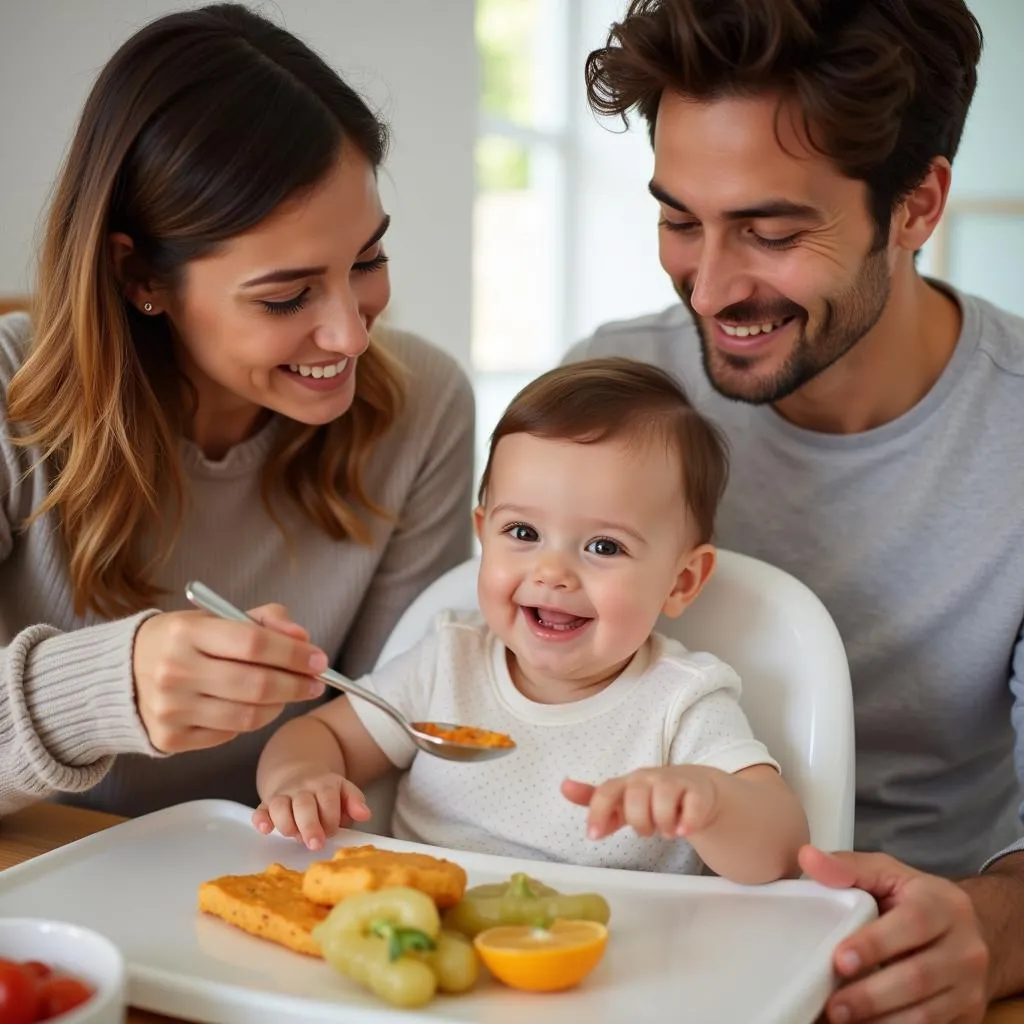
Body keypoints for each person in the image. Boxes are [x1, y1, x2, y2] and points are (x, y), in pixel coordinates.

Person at [567, 1, 1024, 1021]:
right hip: (625, 957)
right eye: (680, 219)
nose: (712, 285)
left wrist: (986, 931)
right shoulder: (609, 389)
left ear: (915, 206)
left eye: (771, 232)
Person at [0, 4, 474, 819]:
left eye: (369, 260)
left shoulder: (422, 409)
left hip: (274, 878)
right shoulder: (13, 392)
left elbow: (390, 730)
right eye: (288, 294)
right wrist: (109, 688)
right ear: (141, 276)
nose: (351, 333)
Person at [253, 358, 810, 884]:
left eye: (603, 546)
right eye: (522, 533)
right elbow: (321, 734)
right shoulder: (449, 660)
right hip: (420, 931)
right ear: (483, 533)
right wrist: (299, 779)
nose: (552, 572)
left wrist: (707, 801)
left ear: (682, 581)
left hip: (603, 962)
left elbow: (782, 852)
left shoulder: (679, 704)